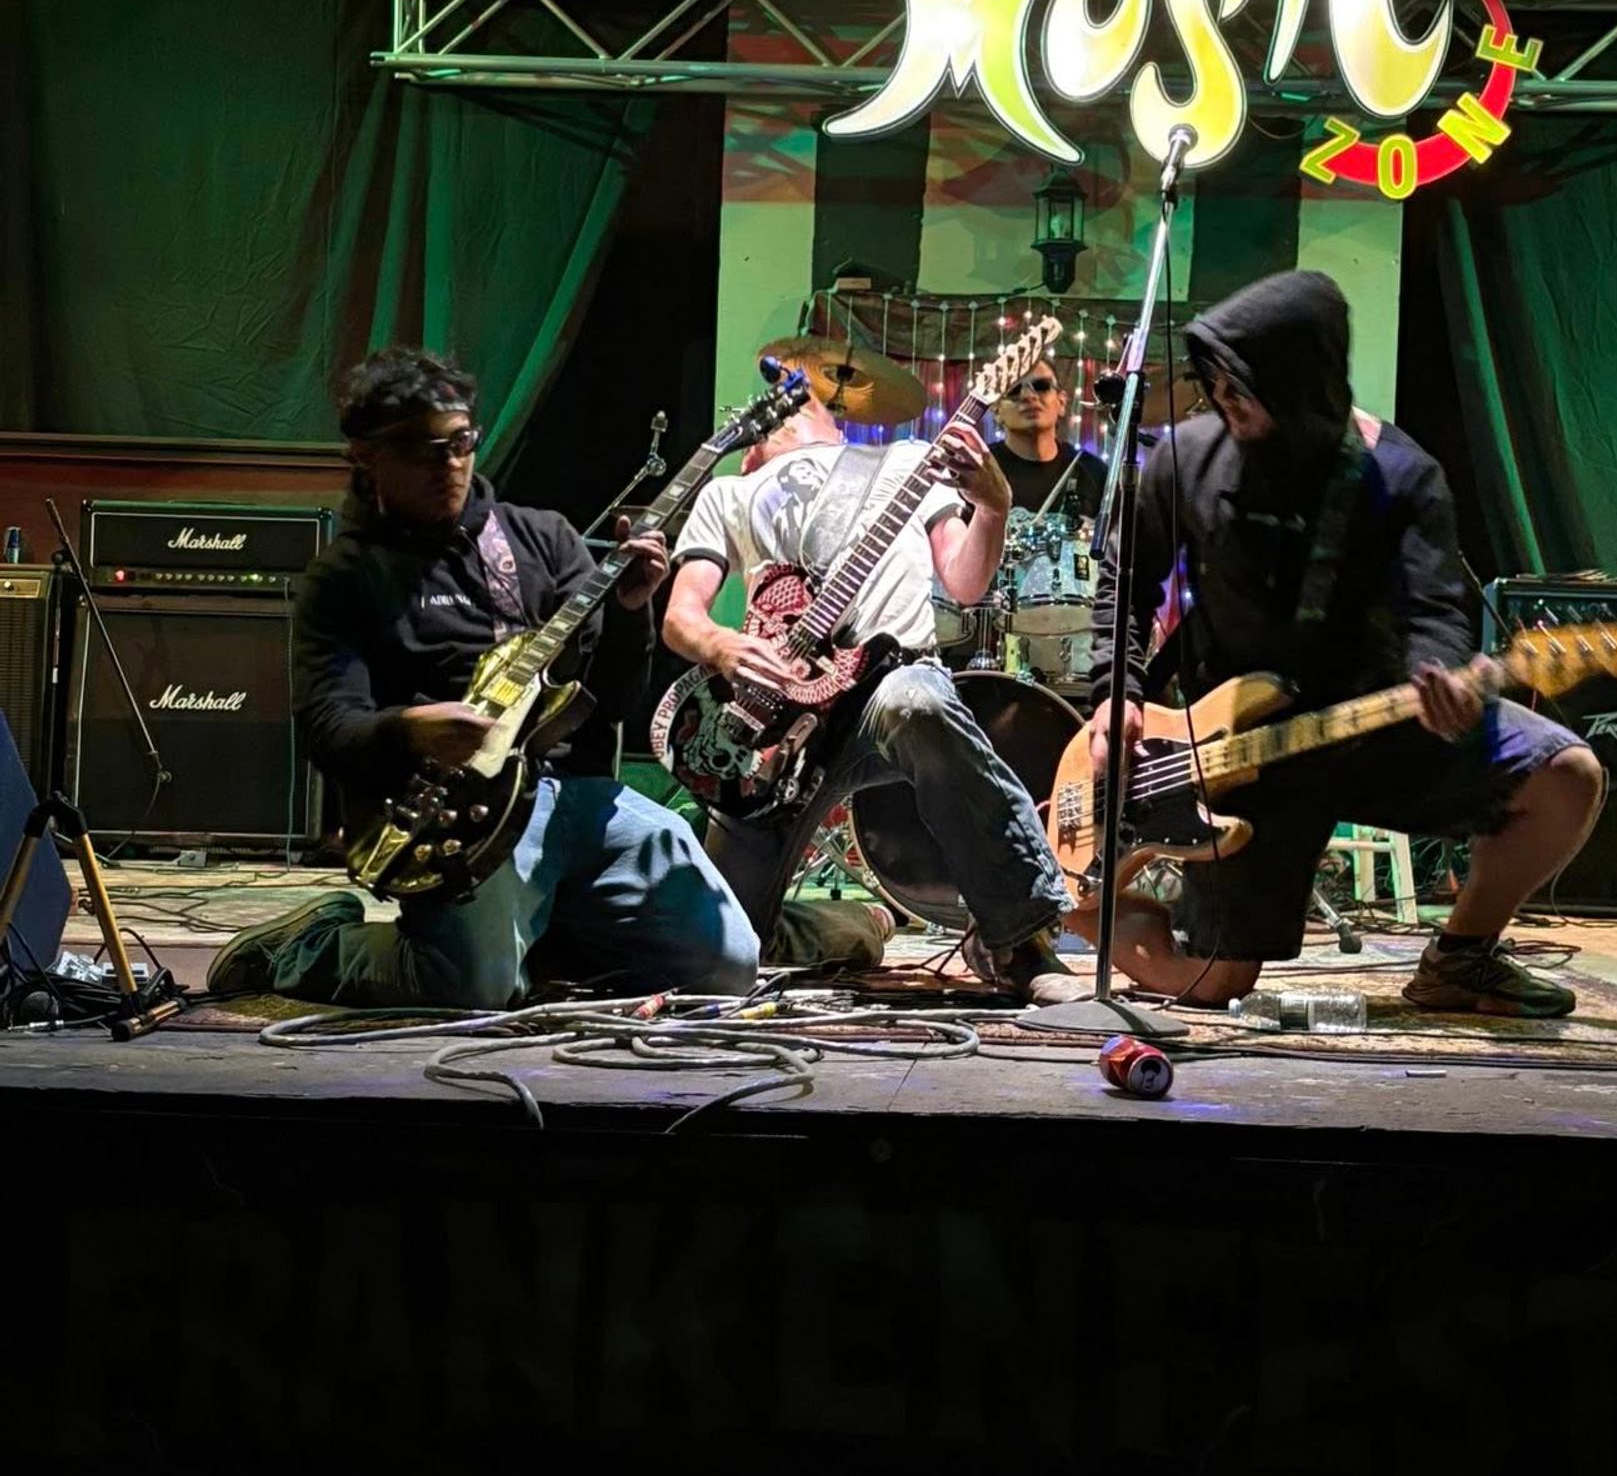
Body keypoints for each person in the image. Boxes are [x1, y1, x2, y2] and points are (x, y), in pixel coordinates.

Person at [1079, 271, 1605, 1017]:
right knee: (1217, 987)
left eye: (1243, 394)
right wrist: (1116, 696)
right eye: (1217, 389)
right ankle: (1100, 925)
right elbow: (1125, 585)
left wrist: (1443, 675)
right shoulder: (1185, 458)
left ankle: (1460, 960)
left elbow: (1435, 608)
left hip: (1375, 727)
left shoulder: (1401, 474)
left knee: (1567, 774)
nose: (1225, 409)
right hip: (1243, 757)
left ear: (1299, 388)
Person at [208, 346, 759, 1008]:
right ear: (365, 456)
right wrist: (411, 730)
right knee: (468, 990)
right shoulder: (346, 579)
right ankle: (315, 943)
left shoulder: (540, 540)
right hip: (457, 815)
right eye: (421, 449)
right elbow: (329, 728)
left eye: (461, 442)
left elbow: (613, 702)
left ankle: (536, 937)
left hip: (572, 802)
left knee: (727, 966)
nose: (449, 464)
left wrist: (630, 615)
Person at [660, 388, 1072, 996]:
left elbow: (963, 584)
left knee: (920, 703)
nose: (781, 404)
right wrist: (720, 646)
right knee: (716, 957)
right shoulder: (728, 491)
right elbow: (680, 616)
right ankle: (860, 925)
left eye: (798, 391)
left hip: (888, 687)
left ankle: (1020, 940)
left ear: (831, 408)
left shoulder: (906, 461)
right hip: (780, 733)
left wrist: (994, 508)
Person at [990, 359, 1107, 520]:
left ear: (1062, 402)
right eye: (1014, 390)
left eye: (1041, 386)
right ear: (996, 411)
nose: (1028, 396)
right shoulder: (978, 470)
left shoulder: (1095, 472)